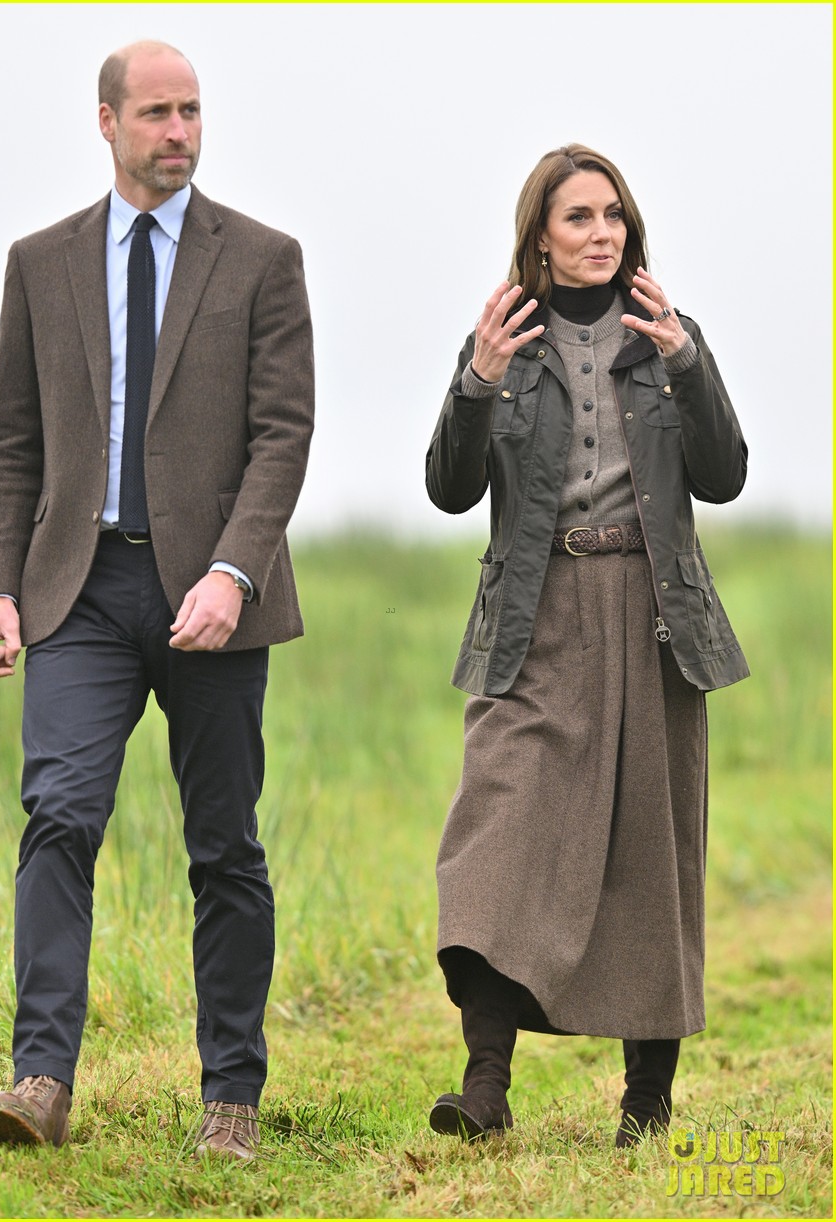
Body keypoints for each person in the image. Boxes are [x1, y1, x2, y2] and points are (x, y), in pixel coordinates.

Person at [0, 40, 314, 1162]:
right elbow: (10, 444)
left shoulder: (262, 258)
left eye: (193, 111)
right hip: (79, 587)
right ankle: (38, 1079)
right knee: (58, 817)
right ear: (106, 121)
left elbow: (282, 436)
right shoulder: (40, 262)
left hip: (215, 588)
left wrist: (233, 569)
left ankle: (231, 1100)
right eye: (157, 112)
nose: (179, 131)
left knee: (223, 844)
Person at [424, 144, 748, 1147]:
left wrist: (687, 369)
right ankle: (485, 1088)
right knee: (496, 838)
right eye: (578, 217)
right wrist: (474, 384)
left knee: (652, 852)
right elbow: (448, 487)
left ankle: (645, 1105)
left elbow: (724, 473)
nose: (600, 231)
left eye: (612, 214)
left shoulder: (668, 336)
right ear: (540, 236)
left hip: (653, 613)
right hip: (533, 609)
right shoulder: (502, 343)